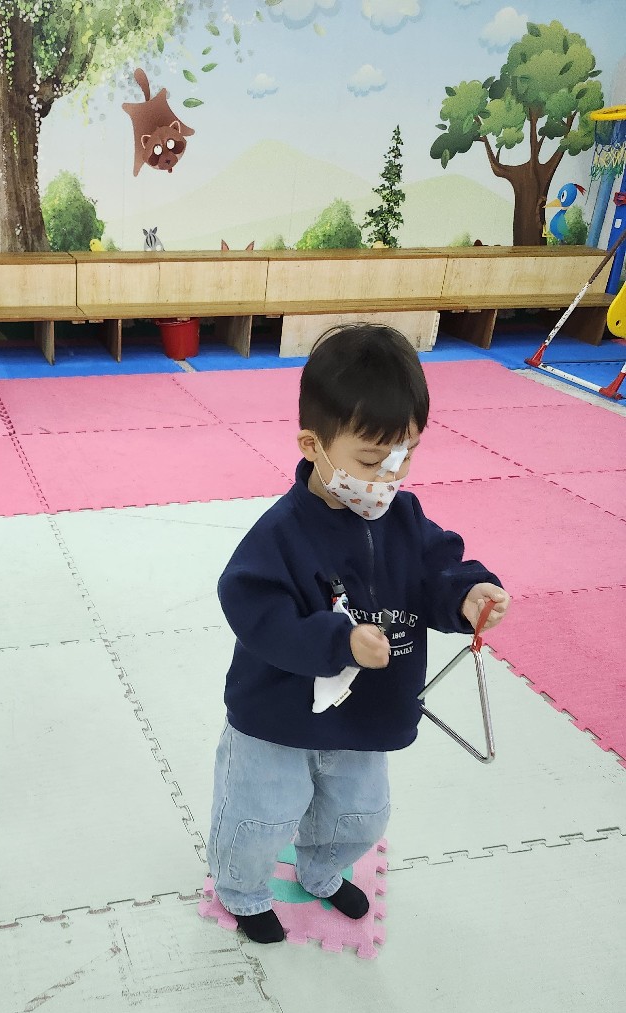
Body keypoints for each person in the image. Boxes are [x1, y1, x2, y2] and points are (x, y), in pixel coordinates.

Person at [207, 324, 510, 943]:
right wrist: (337, 642)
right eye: (372, 460)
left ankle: (322, 872)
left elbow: (436, 569)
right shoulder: (281, 533)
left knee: (359, 814)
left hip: (366, 714)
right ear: (313, 445)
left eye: (406, 455)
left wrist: (467, 594)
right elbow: (252, 607)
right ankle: (242, 891)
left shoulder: (404, 517)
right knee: (259, 816)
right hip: (276, 717)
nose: (389, 477)